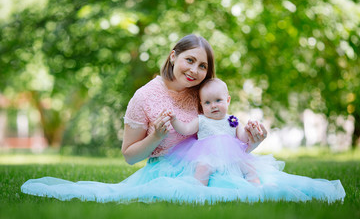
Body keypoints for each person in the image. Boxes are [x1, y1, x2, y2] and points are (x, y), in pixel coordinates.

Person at [21, 34, 345, 204]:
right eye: (190, 60)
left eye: (202, 66)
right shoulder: (144, 97)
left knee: (252, 186)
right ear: (173, 55)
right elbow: (128, 157)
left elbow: (219, 142)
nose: (194, 71)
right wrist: (156, 137)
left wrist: (252, 142)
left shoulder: (203, 93)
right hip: (169, 169)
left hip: (210, 165)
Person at [164, 78, 262, 186]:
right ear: (201, 104)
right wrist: (174, 120)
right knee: (202, 167)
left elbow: (243, 138)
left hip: (231, 156)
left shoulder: (233, 120)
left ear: (228, 100)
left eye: (218, 100)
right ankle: (198, 190)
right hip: (208, 156)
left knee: (248, 166)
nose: (213, 105)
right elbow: (185, 130)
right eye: (207, 102)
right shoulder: (201, 120)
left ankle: (257, 189)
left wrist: (248, 131)